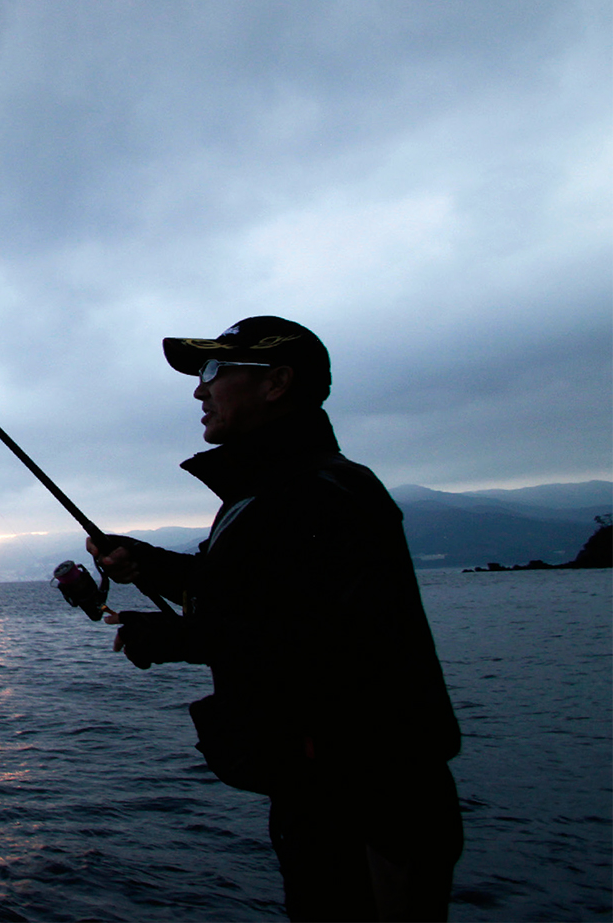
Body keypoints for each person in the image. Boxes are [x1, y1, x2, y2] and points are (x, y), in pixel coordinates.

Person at [86, 317, 463, 921]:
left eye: (215, 371)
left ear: (277, 382)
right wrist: (145, 563)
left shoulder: (321, 493)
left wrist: (170, 636)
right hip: (324, 788)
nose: (199, 391)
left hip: (371, 800)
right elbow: (248, 594)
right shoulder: (276, 492)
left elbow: (311, 637)